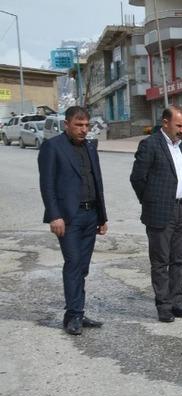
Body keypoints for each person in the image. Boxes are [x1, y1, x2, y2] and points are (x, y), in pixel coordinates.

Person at [37, 106, 108, 335]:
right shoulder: (53, 147)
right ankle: (73, 316)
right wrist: (54, 215)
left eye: (86, 125)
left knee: (83, 267)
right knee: (73, 263)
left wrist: (102, 216)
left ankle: (77, 311)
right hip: (69, 218)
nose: (83, 130)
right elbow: (47, 185)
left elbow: (97, 183)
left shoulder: (90, 147)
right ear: (66, 124)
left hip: (90, 215)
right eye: (78, 125)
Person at [130, 106, 182, 323]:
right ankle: (164, 305)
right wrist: (151, 201)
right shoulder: (150, 145)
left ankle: (177, 302)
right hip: (160, 211)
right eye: (178, 125)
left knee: (180, 258)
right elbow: (137, 178)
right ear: (165, 123)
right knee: (161, 261)